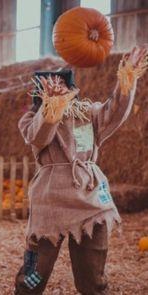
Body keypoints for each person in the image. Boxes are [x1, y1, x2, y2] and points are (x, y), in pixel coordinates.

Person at [14, 45, 148, 294]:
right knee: (32, 277)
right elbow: (39, 136)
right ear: (39, 94)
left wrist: (128, 74)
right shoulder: (31, 120)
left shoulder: (87, 113)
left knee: (93, 279)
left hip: (90, 200)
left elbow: (116, 110)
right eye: (49, 88)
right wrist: (51, 107)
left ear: (72, 90)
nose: (57, 90)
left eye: (61, 87)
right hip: (50, 204)